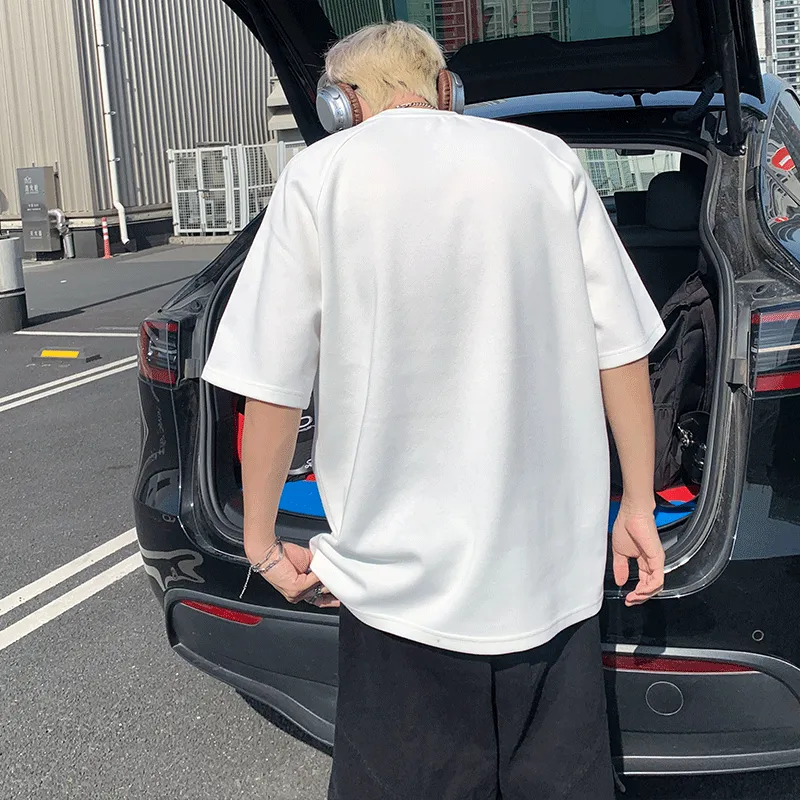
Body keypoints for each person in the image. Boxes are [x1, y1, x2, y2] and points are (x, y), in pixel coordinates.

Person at [202, 20, 666, 800]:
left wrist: (261, 545)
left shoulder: (320, 176)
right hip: (551, 578)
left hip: (399, 593)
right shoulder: (547, 161)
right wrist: (640, 505)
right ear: (448, 89)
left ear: (341, 102)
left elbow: (272, 383)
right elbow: (620, 349)